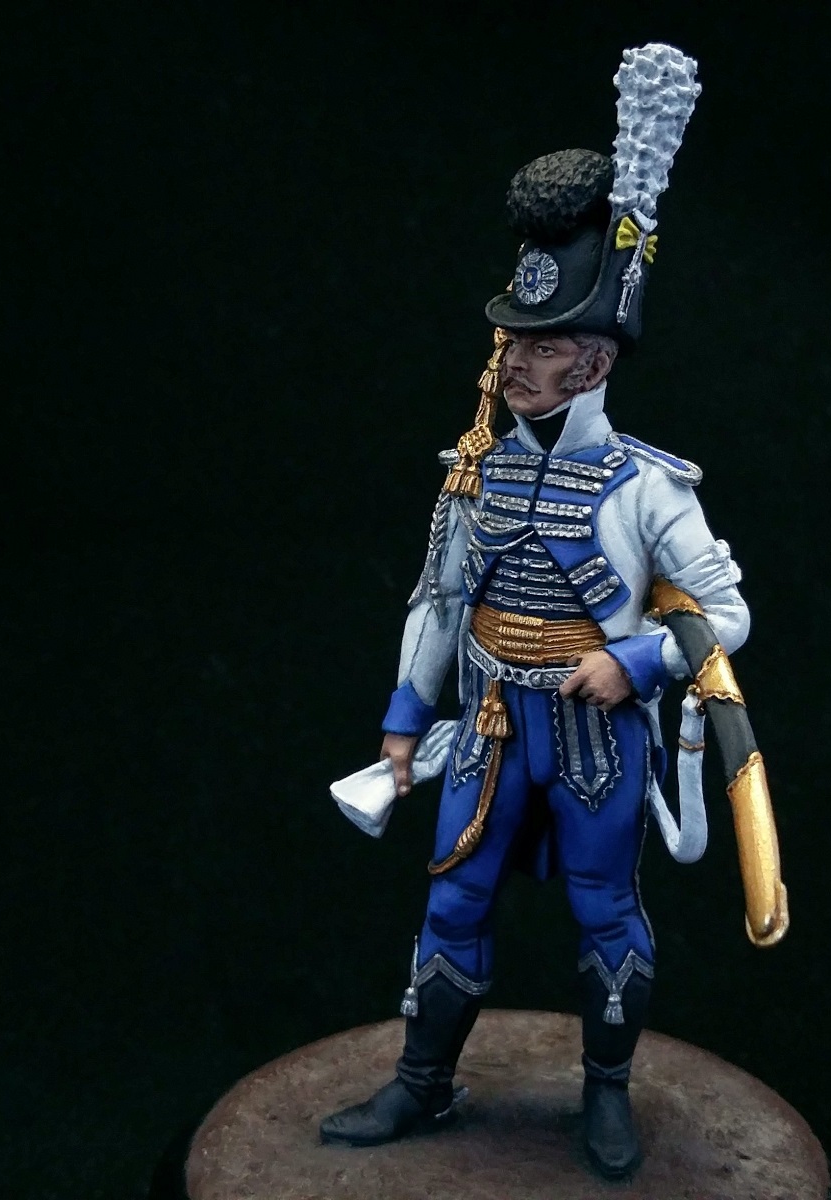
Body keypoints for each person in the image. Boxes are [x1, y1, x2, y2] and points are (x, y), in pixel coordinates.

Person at [320, 47, 740, 1179]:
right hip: (494, 723)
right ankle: (420, 1084)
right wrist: (404, 723)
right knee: (453, 897)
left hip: (595, 732)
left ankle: (607, 1095)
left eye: (541, 346)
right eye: (513, 341)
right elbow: (439, 603)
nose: (513, 360)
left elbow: (725, 614)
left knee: (606, 912)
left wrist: (637, 662)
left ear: (591, 362)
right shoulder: (473, 472)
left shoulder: (648, 489)